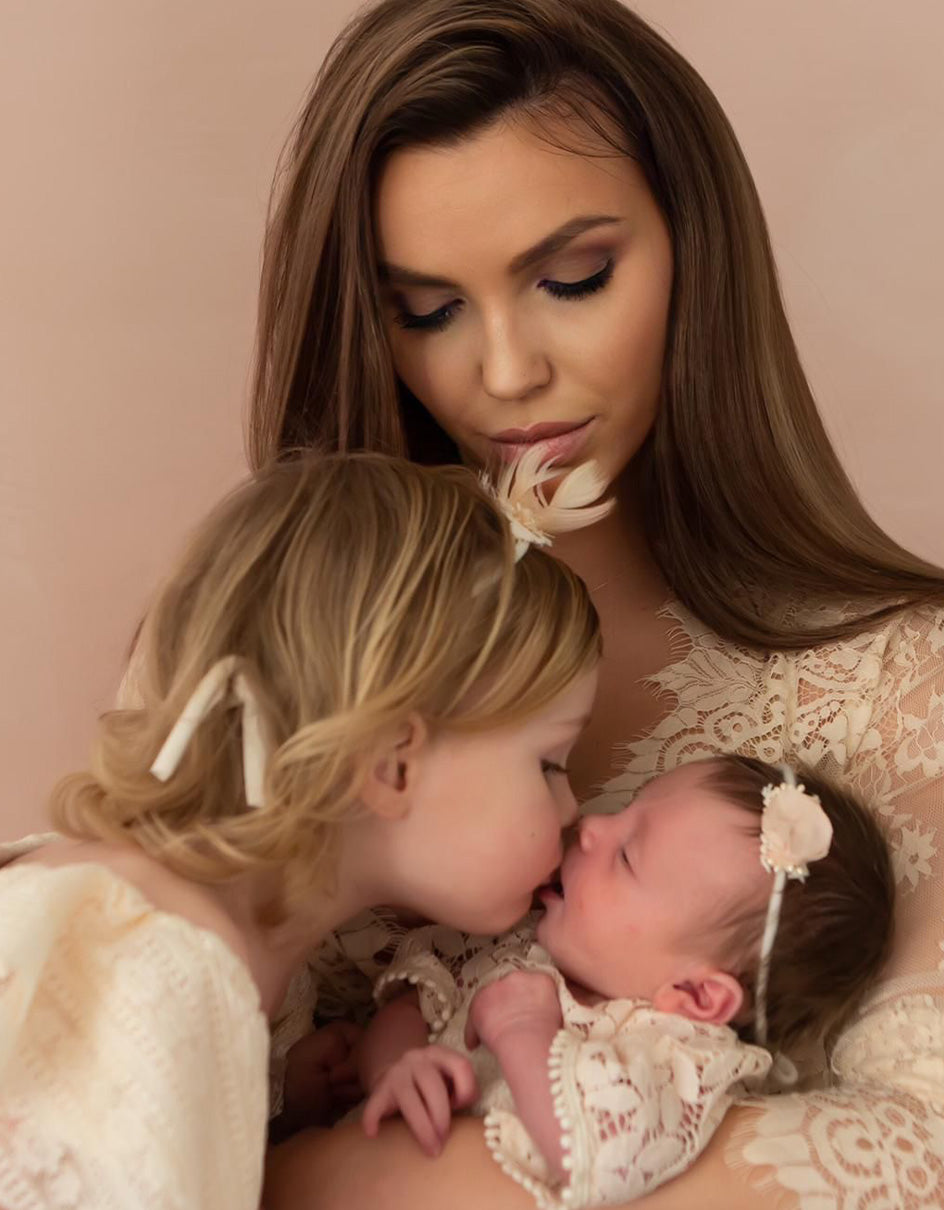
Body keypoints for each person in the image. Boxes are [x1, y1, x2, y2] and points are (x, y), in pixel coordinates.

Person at [253, 1, 944, 1206]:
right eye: (427, 310)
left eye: (571, 277)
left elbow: (918, 1155)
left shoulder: (903, 689)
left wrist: (302, 1176)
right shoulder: (281, 666)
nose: (504, 372)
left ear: (695, 253)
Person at [0, 451, 603, 1209]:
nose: (575, 812)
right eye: (549, 764)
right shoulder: (148, 962)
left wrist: (283, 1123)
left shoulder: (248, 960)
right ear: (392, 764)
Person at [328, 757, 894, 1208]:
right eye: (625, 807)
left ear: (697, 996)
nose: (592, 826)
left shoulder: (678, 1059)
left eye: (626, 856)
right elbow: (415, 1002)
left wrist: (525, 1032)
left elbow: (601, 1159)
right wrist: (394, 1066)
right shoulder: (524, 947)